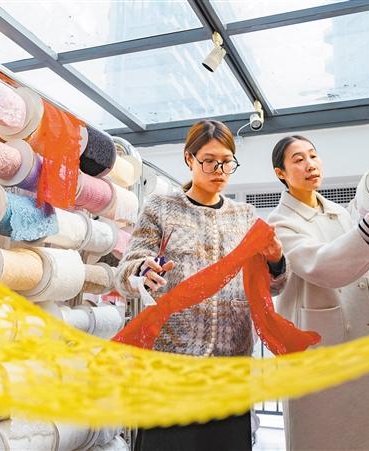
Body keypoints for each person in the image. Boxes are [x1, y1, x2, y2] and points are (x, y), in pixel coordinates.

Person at [115, 120, 287, 451]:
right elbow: (126, 272)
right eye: (209, 161)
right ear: (189, 159)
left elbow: (272, 288)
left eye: (226, 162)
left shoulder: (244, 216)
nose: (219, 170)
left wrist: (276, 261)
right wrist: (142, 271)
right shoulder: (161, 209)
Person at [268, 135, 369, 450]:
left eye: (313, 156)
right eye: (298, 159)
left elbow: (350, 274)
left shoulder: (338, 213)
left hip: (356, 339)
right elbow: (323, 266)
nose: (310, 165)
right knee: (324, 435)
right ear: (281, 173)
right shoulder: (280, 224)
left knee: (368, 435)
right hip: (318, 349)